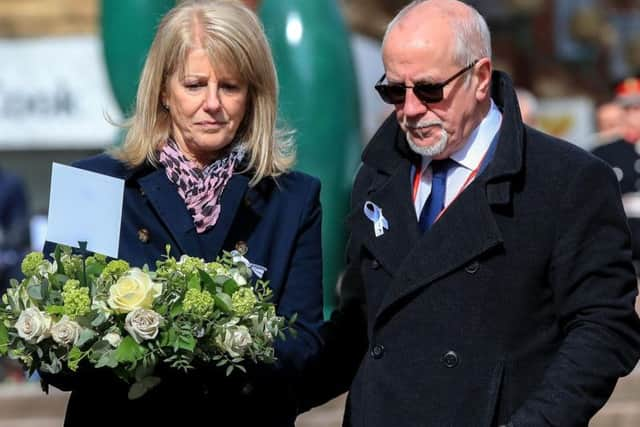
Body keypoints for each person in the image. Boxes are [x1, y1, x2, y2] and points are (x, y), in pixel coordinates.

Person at [301, 1, 640, 426]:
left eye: (428, 90)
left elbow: (605, 328)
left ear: (480, 78)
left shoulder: (567, 179)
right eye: (393, 91)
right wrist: (268, 391)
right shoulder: (378, 172)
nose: (408, 110)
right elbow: (360, 322)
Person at [41, 1, 323, 425]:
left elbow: (305, 348)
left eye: (229, 86)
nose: (212, 103)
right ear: (163, 91)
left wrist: (219, 332)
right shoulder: (91, 186)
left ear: (253, 95)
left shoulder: (292, 197)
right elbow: (55, 363)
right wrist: (135, 334)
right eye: (194, 84)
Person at [592, 77, 640, 272]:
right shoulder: (603, 150)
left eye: (636, 109)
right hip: (623, 240)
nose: (632, 115)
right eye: (626, 109)